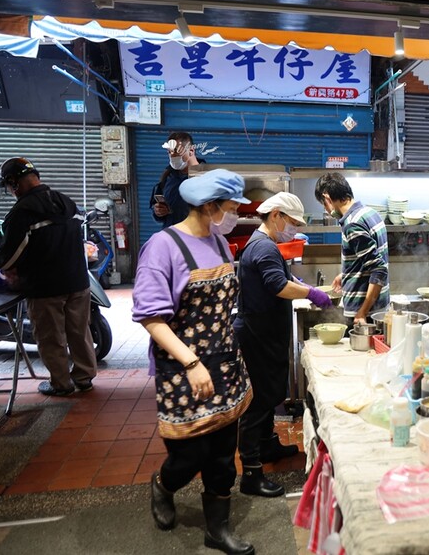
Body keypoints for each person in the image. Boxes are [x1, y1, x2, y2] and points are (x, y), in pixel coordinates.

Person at [132, 169, 255, 555]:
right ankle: (163, 485)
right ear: (210, 206)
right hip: (184, 368)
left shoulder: (219, 242)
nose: (236, 213)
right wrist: (190, 362)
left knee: (222, 453)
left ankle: (216, 530)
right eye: (233, 207)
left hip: (225, 362)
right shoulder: (162, 246)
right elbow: (152, 317)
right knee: (188, 455)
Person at [234, 192, 333, 498]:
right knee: (259, 400)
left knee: (270, 394)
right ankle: (251, 473)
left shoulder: (264, 243)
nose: (293, 229)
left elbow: (278, 278)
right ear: (275, 215)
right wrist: (311, 293)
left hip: (264, 331)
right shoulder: (263, 246)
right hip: (257, 333)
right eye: (291, 223)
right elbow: (278, 285)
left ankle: (267, 447)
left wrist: (306, 287)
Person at [0, 157, 97, 397]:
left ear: (14, 183)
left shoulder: (21, 213)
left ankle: (61, 384)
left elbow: (10, 257)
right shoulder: (66, 202)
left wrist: (5, 269)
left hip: (45, 288)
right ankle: (84, 378)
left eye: (9, 186)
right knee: (80, 331)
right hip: (78, 282)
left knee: (51, 338)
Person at [314, 172, 389, 324]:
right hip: (379, 308)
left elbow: (379, 270)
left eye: (323, 204)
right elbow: (370, 259)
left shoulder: (352, 225)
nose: (326, 210)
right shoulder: (370, 213)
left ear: (327, 198)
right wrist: (347, 274)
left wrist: (362, 312)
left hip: (365, 314)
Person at [151, 131, 204, 228]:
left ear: (191, 151)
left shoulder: (206, 178)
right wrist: (158, 211)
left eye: (177, 151)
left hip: (196, 238)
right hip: (172, 236)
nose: (172, 156)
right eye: (169, 152)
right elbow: (157, 209)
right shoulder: (167, 177)